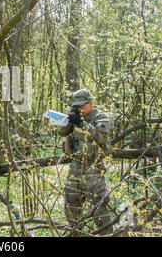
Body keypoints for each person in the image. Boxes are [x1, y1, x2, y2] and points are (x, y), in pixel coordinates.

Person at [58, 88, 113, 235]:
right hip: (75, 166)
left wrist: (82, 124)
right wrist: (69, 119)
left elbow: (101, 137)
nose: (79, 108)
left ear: (91, 103)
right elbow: (62, 132)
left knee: (99, 208)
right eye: (77, 106)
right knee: (71, 206)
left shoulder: (101, 117)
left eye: (81, 105)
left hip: (93, 168)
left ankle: (107, 234)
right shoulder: (76, 116)